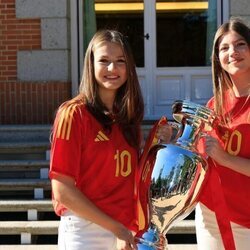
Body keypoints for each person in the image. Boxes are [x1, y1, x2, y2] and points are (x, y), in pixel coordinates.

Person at [49, 29, 171, 250]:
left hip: (124, 228)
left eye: (120, 61)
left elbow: (131, 177)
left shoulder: (128, 117)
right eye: (104, 61)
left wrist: (159, 145)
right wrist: (117, 228)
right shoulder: (72, 114)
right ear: (91, 64)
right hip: (84, 230)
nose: (112, 69)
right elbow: (62, 190)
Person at [195, 17, 250, 250]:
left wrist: (226, 159)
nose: (232, 52)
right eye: (224, 48)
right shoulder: (213, 105)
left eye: (240, 44)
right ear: (217, 58)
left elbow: (221, 157)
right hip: (211, 213)